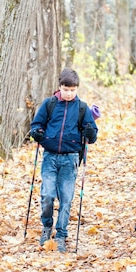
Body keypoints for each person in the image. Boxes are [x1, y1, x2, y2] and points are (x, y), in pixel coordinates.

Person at [30, 68, 98, 252]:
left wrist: (90, 132)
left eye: (73, 90)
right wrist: (38, 134)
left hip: (70, 159)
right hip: (50, 158)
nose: (69, 93)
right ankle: (47, 226)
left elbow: (92, 135)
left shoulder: (82, 108)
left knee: (66, 199)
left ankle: (61, 234)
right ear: (60, 86)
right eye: (66, 89)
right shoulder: (49, 104)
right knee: (47, 195)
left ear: (77, 89)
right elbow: (36, 124)